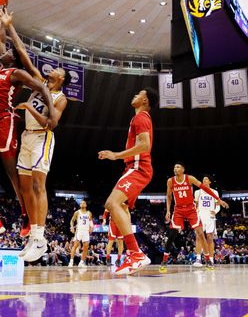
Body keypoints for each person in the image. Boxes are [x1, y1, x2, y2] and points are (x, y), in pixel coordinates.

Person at [0, 9, 54, 242]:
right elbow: (0, 41)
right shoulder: (3, 67)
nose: (4, 52)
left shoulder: (18, 72)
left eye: (9, 53)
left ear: (14, 58)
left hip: (4, 118)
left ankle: (24, 215)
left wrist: (52, 114)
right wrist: (3, 23)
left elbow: (41, 86)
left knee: (12, 170)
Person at [98, 88, 157, 275]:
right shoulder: (139, 118)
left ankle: (136, 253)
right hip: (134, 168)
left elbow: (145, 145)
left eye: (139, 94)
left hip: (138, 168)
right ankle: (134, 254)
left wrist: (116, 155)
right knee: (121, 207)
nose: (134, 95)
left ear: (145, 100)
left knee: (111, 203)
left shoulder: (141, 118)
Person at [15, 65, 69, 263]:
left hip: (42, 138)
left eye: (57, 69)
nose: (52, 69)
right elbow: (28, 63)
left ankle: (40, 238)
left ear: (62, 78)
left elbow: (50, 123)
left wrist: (28, 107)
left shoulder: (60, 99)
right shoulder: (40, 84)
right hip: (27, 136)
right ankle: (33, 234)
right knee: (24, 188)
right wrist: (11, 33)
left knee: (39, 186)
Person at [160, 163, 228, 272]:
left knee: (200, 233)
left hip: (191, 209)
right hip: (178, 210)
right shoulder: (170, 181)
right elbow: (168, 196)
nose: (175, 169)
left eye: (178, 167)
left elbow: (205, 188)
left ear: (183, 169)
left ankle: (207, 260)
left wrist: (218, 199)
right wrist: (168, 210)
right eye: (174, 167)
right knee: (172, 234)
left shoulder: (189, 178)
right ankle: (164, 261)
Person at [194, 175, 221, 267]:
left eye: (206, 179)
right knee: (198, 237)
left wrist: (215, 211)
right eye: (203, 179)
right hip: (200, 216)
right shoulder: (197, 192)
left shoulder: (214, 192)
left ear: (210, 182)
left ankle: (211, 259)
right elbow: (196, 205)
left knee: (210, 238)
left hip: (210, 216)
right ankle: (198, 259)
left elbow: (218, 204)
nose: (204, 180)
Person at [68, 200, 93, 267]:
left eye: (84, 203)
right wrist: (72, 227)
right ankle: (71, 261)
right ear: (80, 205)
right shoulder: (77, 212)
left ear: (86, 205)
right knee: (75, 245)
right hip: (79, 230)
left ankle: (81, 262)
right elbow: (72, 221)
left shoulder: (89, 213)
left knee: (86, 247)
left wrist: (91, 227)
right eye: (81, 203)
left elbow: (91, 222)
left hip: (86, 231)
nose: (82, 204)